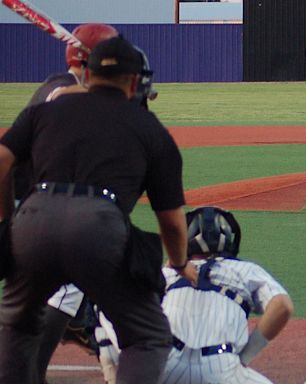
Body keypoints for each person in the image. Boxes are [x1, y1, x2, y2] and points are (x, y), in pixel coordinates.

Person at [0, 36, 197, 384]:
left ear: (85, 75)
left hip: (33, 220)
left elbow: (2, 161)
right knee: (147, 336)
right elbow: (170, 220)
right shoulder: (149, 128)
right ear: (135, 82)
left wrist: (7, 222)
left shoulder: (44, 111)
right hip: (98, 227)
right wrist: (180, 262)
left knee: (16, 324)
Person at [14, 23, 122, 384]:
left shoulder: (71, 88)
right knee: (66, 281)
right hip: (35, 207)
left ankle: (80, 324)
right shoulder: (59, 89)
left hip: (37, 205)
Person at [95, 206, 294, 384]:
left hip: (164, 364)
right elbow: (282, 306)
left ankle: (113, 375)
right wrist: (244, 358)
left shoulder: (168, 272)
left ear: (186, 242)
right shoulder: (245, 270)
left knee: (105, 308)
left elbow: (118, 299)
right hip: (220, 370)